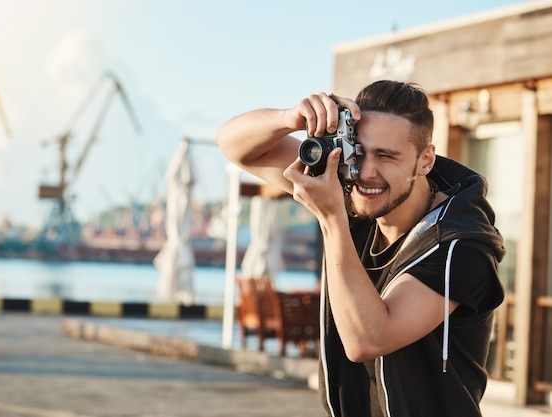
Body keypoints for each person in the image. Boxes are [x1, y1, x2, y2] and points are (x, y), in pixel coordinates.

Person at [215, 80, 505, 417]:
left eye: (386, 156)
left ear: (425, 160)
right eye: (358, 150)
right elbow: (234, 145)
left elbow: (367, 340)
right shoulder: (350, 196)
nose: (365, 172)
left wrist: (332, 219)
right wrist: (291, 117)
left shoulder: (462, 244)